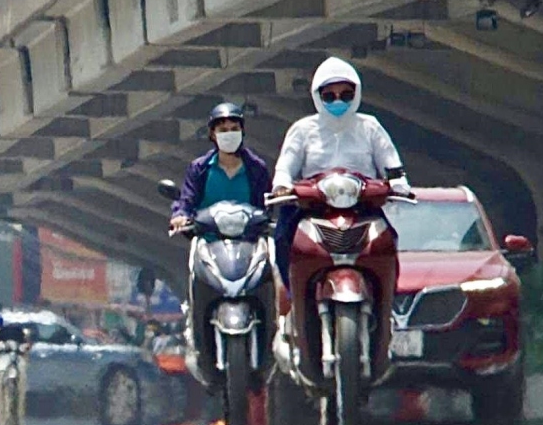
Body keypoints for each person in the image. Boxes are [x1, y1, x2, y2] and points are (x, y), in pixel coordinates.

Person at [270, 56, 412, 295]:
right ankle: (296, 295)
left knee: (388, 242)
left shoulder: (370, 127)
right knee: (284, 238)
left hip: (362, 208)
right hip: (313, 208)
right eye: (329, 96)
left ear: (356, 94)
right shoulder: (302, 130)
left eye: (345, 95)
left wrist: (399, 184)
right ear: (318, 96)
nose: (338, 101)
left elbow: (392, 165)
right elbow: (285, 167)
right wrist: (282, 186)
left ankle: (385, 299)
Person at [169, 102, 271, 233]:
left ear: (242, 132)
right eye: (223, 130)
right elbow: (187, 200)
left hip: (249, 245)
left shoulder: (257, 168)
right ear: (213, 134)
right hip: (207, 244)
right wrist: (180, 216)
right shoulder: (199, 168)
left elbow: (265, 207)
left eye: (234, 129)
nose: (229, 134)